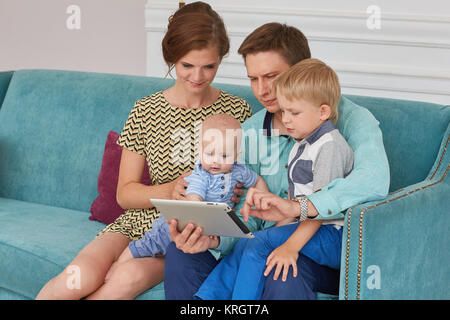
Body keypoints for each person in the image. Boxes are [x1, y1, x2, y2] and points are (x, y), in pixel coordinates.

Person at [36, 2, 252, 300]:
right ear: (172, 57)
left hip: (184, 234)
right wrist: (170, 190)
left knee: (124, 278)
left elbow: (243, 181)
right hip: (137, 220)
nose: (198, 77)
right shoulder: (146, 110)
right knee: (79, 277)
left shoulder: (237, 111)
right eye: (187, 65)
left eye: (209, 66)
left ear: (220, 60)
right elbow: (124, 194)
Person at [163, 23, 390, 300]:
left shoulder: (351, 121)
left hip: (317, 248)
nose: (263, 90)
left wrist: (297, 208)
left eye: (271, 76)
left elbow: (373, 181)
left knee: (282, 269)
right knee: (182, 252)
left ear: (300, 70)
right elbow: (250, 222)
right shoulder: (247, 132)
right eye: (253, 79)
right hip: (259, 248)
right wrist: (214, 239)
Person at [195, 58, 354, 300]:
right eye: (285, 111)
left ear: (323, 112)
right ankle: (204, 300)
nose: (286, 119)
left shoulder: (329, 146)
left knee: (258, 243)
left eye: (294, 112)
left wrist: (290, 246)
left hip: (333, 236)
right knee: (248, 242)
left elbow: (320, 209)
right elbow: (297, 200)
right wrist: (280, 221)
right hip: (309, 229)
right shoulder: (302, 144)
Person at [118, 114, 268, 260]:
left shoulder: (240, 171)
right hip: (179, 220)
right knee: (151, 243)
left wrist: (263, 198)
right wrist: (205, 223)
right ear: (200, 150)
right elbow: (194, 200)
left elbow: (257, 181)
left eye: (224, 156)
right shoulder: (202, 175)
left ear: (236, 156)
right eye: (209, 153)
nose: (215, 161)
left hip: (208, 225)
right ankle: (123, 260)